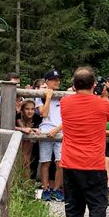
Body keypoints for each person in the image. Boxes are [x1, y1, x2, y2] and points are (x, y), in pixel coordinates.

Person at [60, 66, 109, 217]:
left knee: (74, 207)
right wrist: (105, 96)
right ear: (94, 85)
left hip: (70, 161)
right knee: (97, 207)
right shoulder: (102, 104)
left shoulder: (65, 102)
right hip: (93, 162)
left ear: (74, 85)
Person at [37, 70, 64, 201]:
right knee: (45, 161)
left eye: (58, 79)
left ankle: (57, 189)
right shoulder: (40, 95)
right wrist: (48, 97)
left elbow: (68, 116)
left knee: (60, 162)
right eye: (54, 79)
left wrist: (58, 129)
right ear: (47, 81)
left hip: (60, 130)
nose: (57, 82)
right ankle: (45, 189)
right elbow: (44, 114)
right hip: (45, 130)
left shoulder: (63, 95)